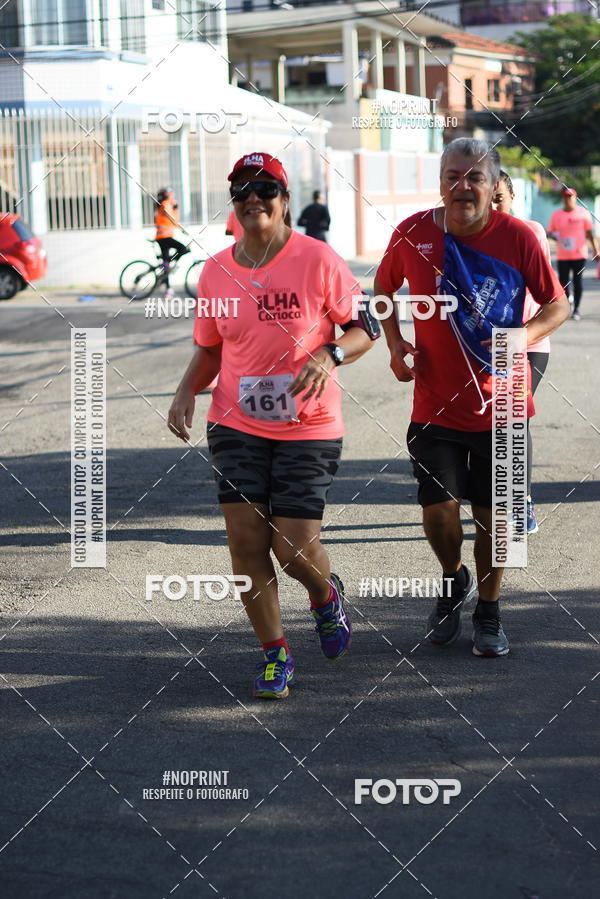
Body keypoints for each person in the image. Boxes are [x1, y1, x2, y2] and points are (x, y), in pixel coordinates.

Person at [168, 152, 378, 699]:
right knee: (245, 544)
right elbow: (210, 348)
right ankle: (275, 654)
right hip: (236, 423)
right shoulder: (215, 270)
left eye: (265, 189)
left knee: (292, 550)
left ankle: (325, 597)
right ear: (234, 205)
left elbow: (364, 329)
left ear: (284, 200)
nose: (253, 199)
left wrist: (331, 353)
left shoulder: (318, 260)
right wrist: (185, 391)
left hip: (309, 425)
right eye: (242, 192)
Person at [374, 138, 570, 658]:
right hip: (434, 402)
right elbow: (380, 293)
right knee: (439, 513)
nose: (462, 186)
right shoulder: (413, 232)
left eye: (474, 177)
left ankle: (489, 608)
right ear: (440, 181)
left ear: (492, 185)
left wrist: (523, 338)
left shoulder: (518, 237)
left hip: (502, 401)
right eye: (452, 176)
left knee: (497, 520)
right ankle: (452, 576)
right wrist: (395, 345)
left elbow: (556, 305)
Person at [492, 170, 551, 535]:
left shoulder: (531, 232)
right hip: (484, 347)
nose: (495, 206)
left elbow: (546, 291)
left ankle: (521, 504)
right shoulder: (467, 240)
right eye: (489, 199)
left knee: (514, 420)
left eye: (500, 198)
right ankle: (494, 499)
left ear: (512, 197)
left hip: (530, 344)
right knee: (493, 426)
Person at [547, 188, 599, 321]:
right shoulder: (557, 215)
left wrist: (595, 249)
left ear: (575, 198)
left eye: (571, 196)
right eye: (566, 197)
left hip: (579, 254)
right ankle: (568, 305)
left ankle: (577, 309)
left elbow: (589, 233)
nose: (568, 199)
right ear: (563, 199)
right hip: (562, 255)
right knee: (563, 282)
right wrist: (556, 237)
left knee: (578, 281)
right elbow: (549, 232)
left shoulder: (583, 213)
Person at [154, 187, 190, 296]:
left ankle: (168, 290)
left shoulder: (164, 204)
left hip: (163, 237)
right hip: (164, 237)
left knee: (166, 267)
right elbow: (173, 220)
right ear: (167, 195)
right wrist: (176, 209)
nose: (173, 196)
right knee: (184, 249)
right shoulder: (165, 204)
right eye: (171, 194)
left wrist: (175, 208)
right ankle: (167, 263)